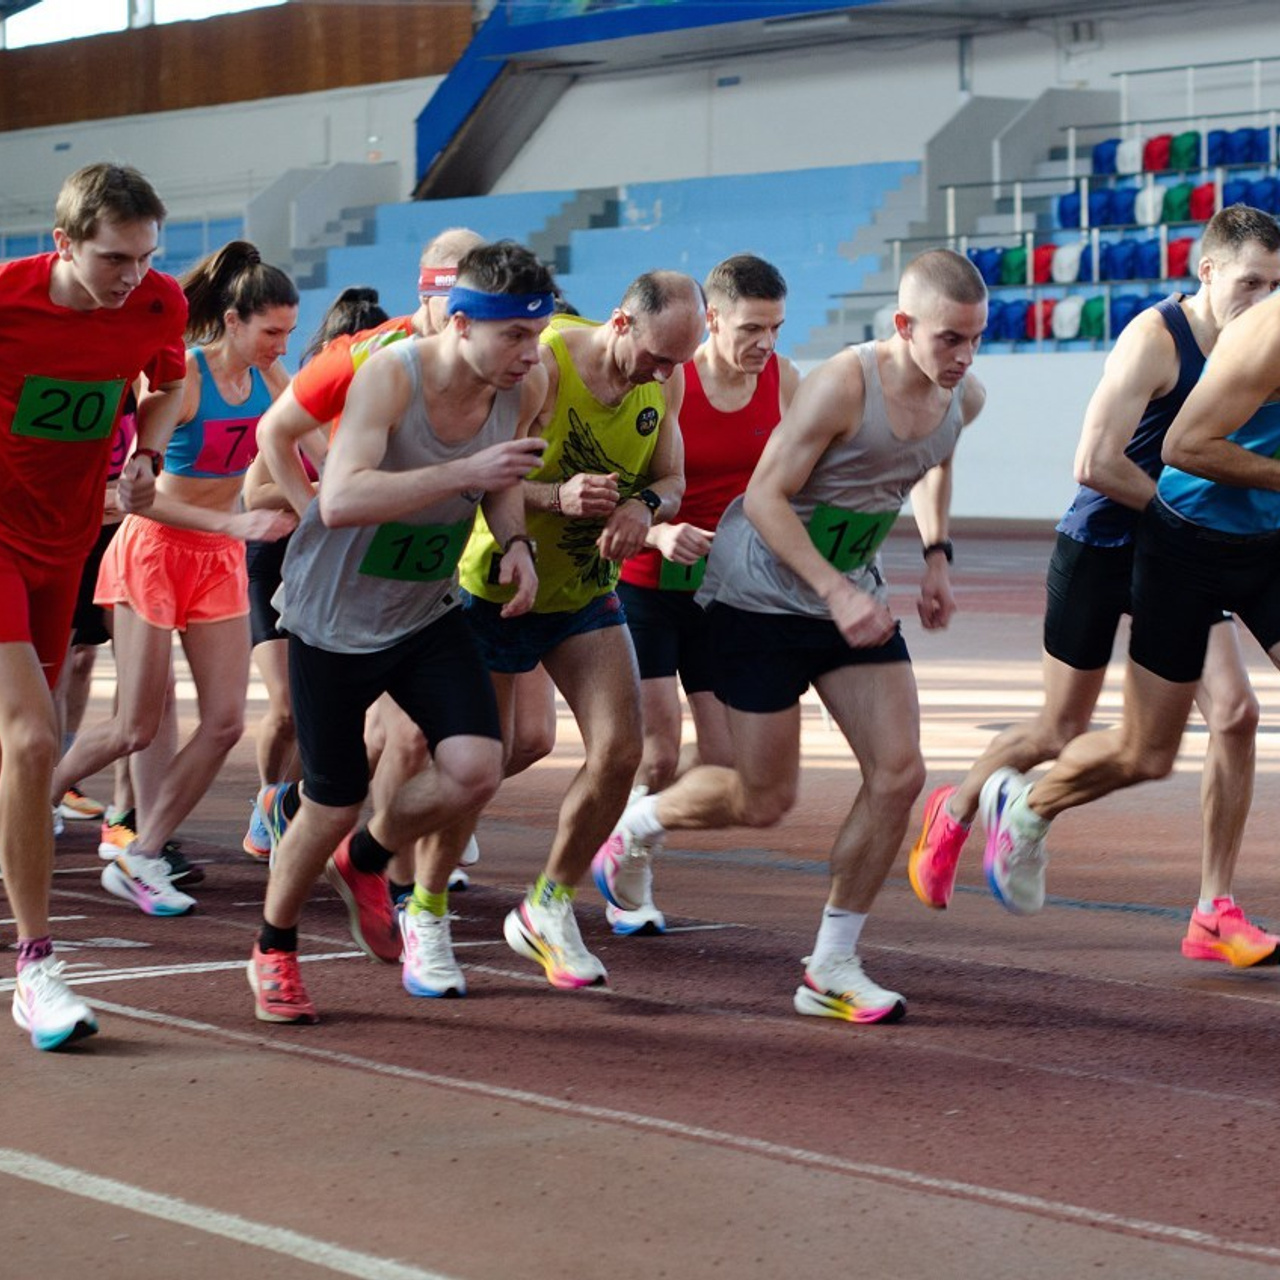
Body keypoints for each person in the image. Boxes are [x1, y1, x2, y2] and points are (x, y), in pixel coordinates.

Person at [595, 249, 988, 1024]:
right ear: (905, 325)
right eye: (949, 339)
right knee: (761, 797)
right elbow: (766, 500)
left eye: (976, 338)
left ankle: (831, 965)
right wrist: (834, 588)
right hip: (760, 596)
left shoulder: (962, 395)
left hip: (848, 599)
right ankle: (638, 825)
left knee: (900, 772)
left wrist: (936, 554)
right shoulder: (845, 383)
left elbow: (935, 458)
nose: (964, 356)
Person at [912, 206, 1280, 966]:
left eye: (1276, 284)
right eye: (1250, 281)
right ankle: (960, 806)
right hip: (1107, 542)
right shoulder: (1157, 338)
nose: (1261, 298)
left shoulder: (1262, 347)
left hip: (1182, 550)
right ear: (1207, 271)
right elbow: (1094, 462)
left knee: (1236, 714)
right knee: (1060, 731)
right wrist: (1180, 511)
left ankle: (1213, 908)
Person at [247, 240, 552, 1024]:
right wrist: (463, 476)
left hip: (423, 610)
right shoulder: (390, 373)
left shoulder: (527, 382)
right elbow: (343, 500)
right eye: (513, 334)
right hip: (332, 618)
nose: (530, 351)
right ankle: (274, 946)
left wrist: (514, 543)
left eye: (538, 332)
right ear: (460, 322)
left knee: (477, 767)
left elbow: (504, 479)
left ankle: (370, 860)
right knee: (329, 801)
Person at [456, 269, 702, 990]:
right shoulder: (544, 364)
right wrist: (555, 498)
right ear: (621, 323)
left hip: (587, 593)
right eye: (656, 357)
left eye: (677, 363)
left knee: (621, 751)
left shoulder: (666, 381)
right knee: (476, 768)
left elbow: (671, 478)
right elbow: (483, 478)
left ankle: (548, 904)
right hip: (499, 584)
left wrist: (645, 511)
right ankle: (412, 890)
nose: (662, 374)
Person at [0, 162, 188, 1050]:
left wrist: (145, 453)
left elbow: (169, 385)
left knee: (20, 749)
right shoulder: (7, 301)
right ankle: (37, 968)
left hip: (66, 543)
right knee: (35, 740)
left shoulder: (157, 307)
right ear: (63, 243)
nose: (132, 276)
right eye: (115, 258)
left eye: (146, 257)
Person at [51, 240, 298, 915]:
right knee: (136, 725)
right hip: (155, 550)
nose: (282, 344)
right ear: (236, 322)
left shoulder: (275, 385)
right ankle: (29, 795)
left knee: (223, 724)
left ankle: (143, 852)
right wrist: (236, 525)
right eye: (272, 331)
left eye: (290, 332)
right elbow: (139, 497)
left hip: (215, 561)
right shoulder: (185, 379)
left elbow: (319, 460)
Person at [609, 253, 799, 934]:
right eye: (752, 327)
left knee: (722, 762)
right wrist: (658, 534)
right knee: (659, 752)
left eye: (776, 327)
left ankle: (633, 831)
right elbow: (630, 484)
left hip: (724, 591)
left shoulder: (784, 381)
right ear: (712, 320)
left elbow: (806, 476)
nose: (765, 343)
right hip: (649, 583)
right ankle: (628, 874)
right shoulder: (670, 380)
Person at [240, 286, 390, 859]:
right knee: (285, 708)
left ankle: (295, 805)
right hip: (277, 564)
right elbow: (255, 491)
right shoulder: (304, 407)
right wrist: (324, 495)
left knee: (333, 711)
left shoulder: (389, 407)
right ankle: (268, 800)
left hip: (343, 572)